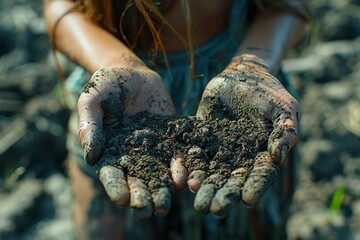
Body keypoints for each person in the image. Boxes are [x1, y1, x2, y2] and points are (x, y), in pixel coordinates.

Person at [44, 0, 309, 239]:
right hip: (118, 106)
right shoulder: (119, 98)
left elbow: (287, 4)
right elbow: (60, 6)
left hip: (243, 99)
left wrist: (254, 67)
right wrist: (113, 60)